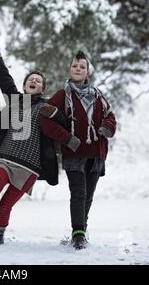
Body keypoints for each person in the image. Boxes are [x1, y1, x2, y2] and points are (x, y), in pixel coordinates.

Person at [0, 39, 65, 244]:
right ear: (24, 85)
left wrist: (54, 112)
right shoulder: (15, 99)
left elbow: (63, 122)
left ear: (42, 88)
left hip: (30, 166)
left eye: (38, 81)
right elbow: (3, 77)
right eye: (31, 79)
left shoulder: (47, 107)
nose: (34, 81)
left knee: (6, 205)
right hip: (6, 157)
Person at [40, 51, 117, 250]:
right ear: (70, 69)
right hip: (74, 152)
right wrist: (66, 138)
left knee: (89, 195)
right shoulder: (62, 95)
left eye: (82, 67)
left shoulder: (98, 95)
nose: (78, 69)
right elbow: (44, 119)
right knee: (79, 193)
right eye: (75, 66)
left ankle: (81, 229)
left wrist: (106, 127)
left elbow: (110, 116)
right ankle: (78, 234)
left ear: (87, 72)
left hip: (97, 151)